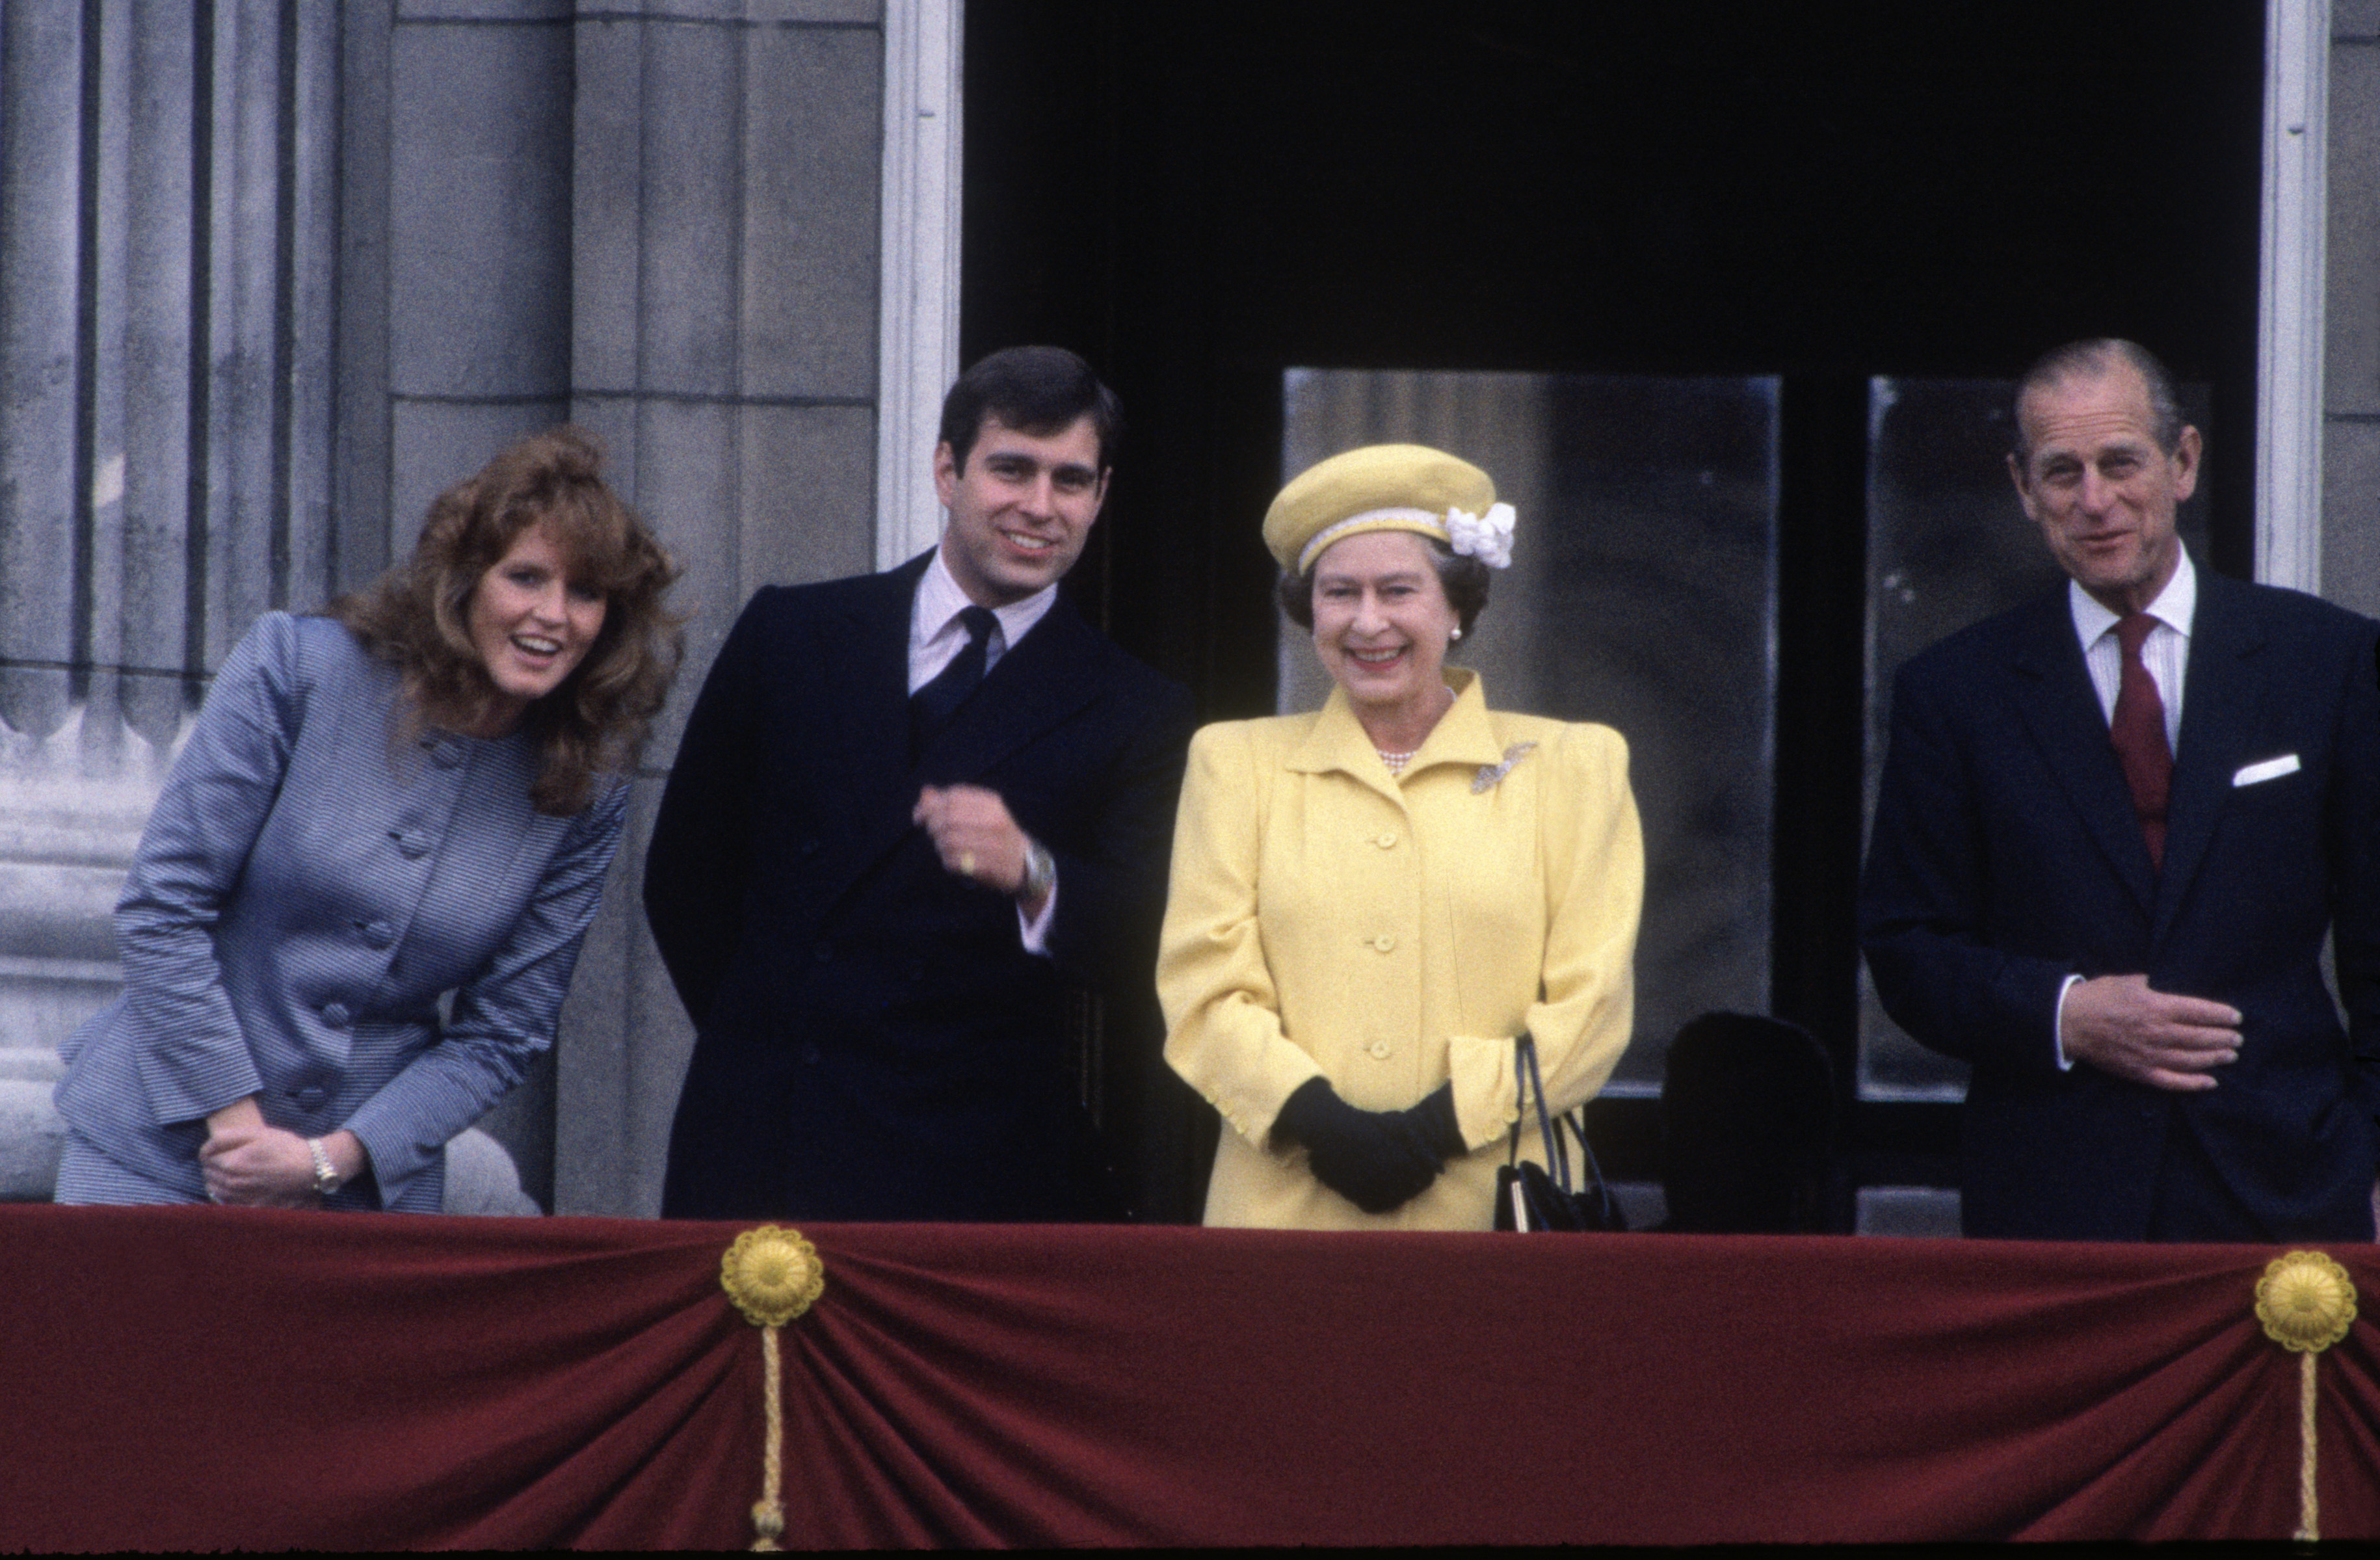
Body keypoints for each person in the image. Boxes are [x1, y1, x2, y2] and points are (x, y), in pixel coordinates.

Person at [51, 426, 681, 1210]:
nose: (553, 615)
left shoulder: (585, 784)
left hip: (361, 1189)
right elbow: (163, 908)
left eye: (586, 593)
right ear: (464, 581)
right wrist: (239, 1128)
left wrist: (330, 1159)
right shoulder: (299, 667)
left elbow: (504, 1033)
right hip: (155, 1150)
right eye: (525, 577)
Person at [646, 345, 1196, 1223]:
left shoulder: (1138, 708)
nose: (1039, 507)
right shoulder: (793, 633)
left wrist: (1034, 869)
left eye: (1070, 480)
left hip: (975, 1165)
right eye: (1011, 469)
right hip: (765, 1141)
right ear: (948, 470)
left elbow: (1155, 943)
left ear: (1101, 497)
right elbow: (685, 878)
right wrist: (781, 1039)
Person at [1860, 337, 2380, 1242]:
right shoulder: (1956, 693)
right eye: (2063, 472)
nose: (2095, 501)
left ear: (2182, 463)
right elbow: (1908, 947)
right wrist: (2069, 1013)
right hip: (2055, 1201)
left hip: (2292, 1180)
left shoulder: (2325, 661)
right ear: (2024, 489)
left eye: (2121, 463)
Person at [1158, 443, 1641, 1228]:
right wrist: (1319, 1123)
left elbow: (1592, 1010)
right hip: (1283, 1216)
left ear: (1456, 607)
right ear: (1309, 611)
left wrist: (1439, 1128)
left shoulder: (1576, 765)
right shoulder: (1233, 763)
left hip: (1496, 1211)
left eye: (1398, 590)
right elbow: (1201, 990)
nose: (1368, 620)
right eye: (1340, 592)